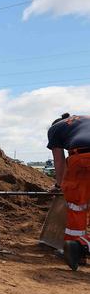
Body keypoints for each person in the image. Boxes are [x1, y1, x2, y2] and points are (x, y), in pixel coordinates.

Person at [47, 113, 90, 271]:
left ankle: (77, 250)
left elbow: (59, 161)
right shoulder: (84, 119)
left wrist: (59, 186)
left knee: (77, 205)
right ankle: (80, 248)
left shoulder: (55, 129)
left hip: (80, 157)